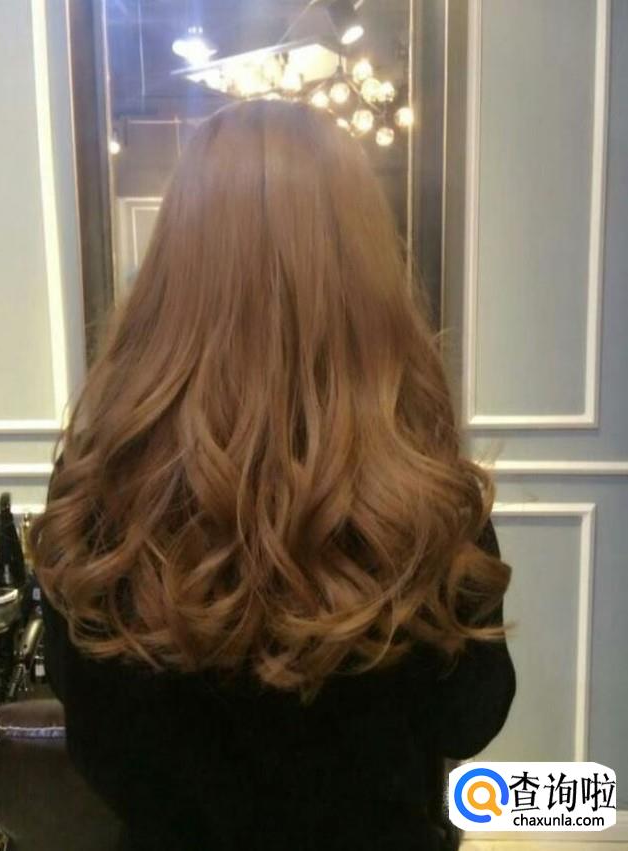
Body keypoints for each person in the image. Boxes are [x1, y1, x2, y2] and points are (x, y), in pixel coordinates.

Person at [30, 99, 516, 851]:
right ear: (364, 270)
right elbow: (471, 716)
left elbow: (99, 748)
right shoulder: (421, 490)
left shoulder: (102, 488)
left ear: (173, 270)